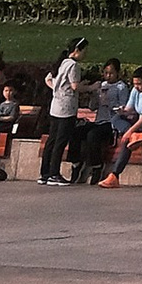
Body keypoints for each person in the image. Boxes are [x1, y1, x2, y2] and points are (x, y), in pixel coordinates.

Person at [67, 62, 130, 185]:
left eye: (111, 73)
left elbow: (124, 108)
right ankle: (76, 162)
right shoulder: (102, 85)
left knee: (93, 135)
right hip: (98, 120)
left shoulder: (121, 87)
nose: (108, 76)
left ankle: (97, 165)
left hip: (111, 121)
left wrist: (110, 104)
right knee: (76, 132)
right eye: (106, 73)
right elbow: (92, 107)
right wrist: (94, 97)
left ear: (117, 73)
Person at [40, 39, 87, 185]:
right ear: (78, 50)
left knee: (52, 140)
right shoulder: (73, 65)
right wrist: (91, 87)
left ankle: (44, 173)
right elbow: (74, 86)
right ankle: (54, 173)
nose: (85, 54)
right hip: (67, 107)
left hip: (56, 105)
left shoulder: (61, 62)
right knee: (60, 141)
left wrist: (57, 90)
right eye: (85, 51)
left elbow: (49, 79)